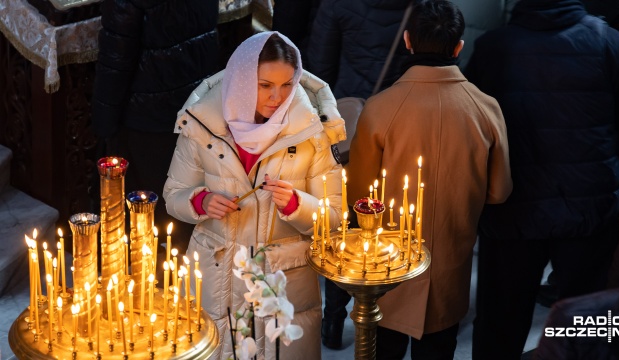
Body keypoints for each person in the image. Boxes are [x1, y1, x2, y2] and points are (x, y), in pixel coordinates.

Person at [465, 0, 619, 358]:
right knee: (589, 326)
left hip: (511, 210)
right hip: (589, 209)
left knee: (500, 323)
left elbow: (473, 130)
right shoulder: (609, 41)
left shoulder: (492, 46)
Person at [163, 31, 346, 359]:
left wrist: (297, 204)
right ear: (243, 80)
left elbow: (333, 218)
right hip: (215, 278)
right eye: (265, 86)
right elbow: (174, 194)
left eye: (288, 84)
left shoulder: (311, 130)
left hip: (282, 282)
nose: (278, 97)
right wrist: (200, 201)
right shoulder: (203, 123)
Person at [347, 1, 512, 358]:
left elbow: (360, 196)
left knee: (384, 349)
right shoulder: (486, 108)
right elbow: (499, 192)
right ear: (458, 47)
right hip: (449, 268)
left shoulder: (380, 108)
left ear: (407, 41)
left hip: (389, 269)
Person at [306, 0, 412, 349]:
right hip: (402, 120)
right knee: (392, 214)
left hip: (350, 123)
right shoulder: (423, 5)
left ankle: (334, 320)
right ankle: (385, 319)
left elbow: (318, 71)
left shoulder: (338, 4)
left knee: (347, 218)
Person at [91, 0, 220, 252]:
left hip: (148, 114)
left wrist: (103, 125)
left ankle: (151, 279)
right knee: (185, 201)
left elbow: (116, 59)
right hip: (197, 106)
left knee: (147, 212)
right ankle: (183, 277)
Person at [307, 0, 411, 99]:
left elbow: (320, 64)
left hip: (349, 100)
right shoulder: (421, 7)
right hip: (402, 102)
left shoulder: (337, 3)